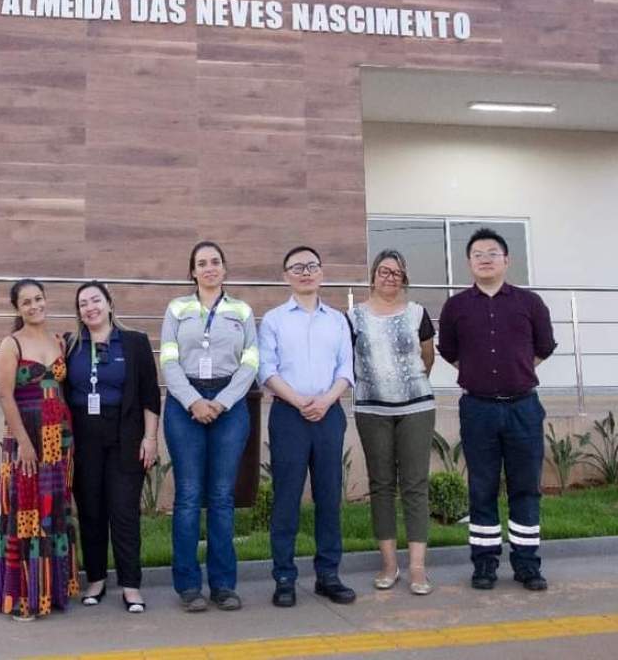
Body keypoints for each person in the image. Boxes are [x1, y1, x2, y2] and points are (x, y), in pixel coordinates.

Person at [437, 228, 556, 592]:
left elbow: (544, 347)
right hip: (478, 409)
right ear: (469, 263)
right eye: (477, 254)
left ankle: (526, 564)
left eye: (492, 252)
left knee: (525, 488)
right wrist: (478, 375)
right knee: (482, 488)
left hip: (523, 407)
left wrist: (516, 371)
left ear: (507, 260)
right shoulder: (455, 307)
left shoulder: (529, 303)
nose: (485, 258)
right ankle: (485, 564)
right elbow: (450, 352)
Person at [159, 241, 259, 613]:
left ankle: (223, 586)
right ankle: (188, 586)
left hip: (228, 403)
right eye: (202, 263)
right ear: (192, 272)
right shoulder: (176, 309)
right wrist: (193, 401)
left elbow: (250, 362)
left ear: (225, 269)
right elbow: (168, 360)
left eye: (215, 262)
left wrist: (222, 401)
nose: (209, 268)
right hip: (186, 402)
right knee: (187, 497)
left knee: (221, 497)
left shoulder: (242, 311)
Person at [258, 245, 356, 608]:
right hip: (289, 415)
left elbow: (347, 368)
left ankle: (328, 574)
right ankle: (284, 576)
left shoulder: (337, 320)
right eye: (297, 267)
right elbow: (266, 369)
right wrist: (301, 402)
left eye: (312, 266)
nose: (305, 272)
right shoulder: (273, 320)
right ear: (285, 276)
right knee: (286, 499)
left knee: (329, 497)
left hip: (329, 414)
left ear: (322, 273)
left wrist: (327, 399)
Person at [63, 281, 161, 614]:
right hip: (84, 438)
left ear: (109, 304)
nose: (89, 307)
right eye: (82, 303)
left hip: (126, 436)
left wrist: (150, 437)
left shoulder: (134, 342)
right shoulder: (69, 345)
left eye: (95, 300)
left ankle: (131, 585)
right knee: (90, 511)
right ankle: (95, 579)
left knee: (124, 512)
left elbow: (150, 394)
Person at [0, 279, 80, 620]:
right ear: (17, 308)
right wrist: (24, 443)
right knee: (25, 513)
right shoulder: (10, 344)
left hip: (59, 439)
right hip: (26, 437)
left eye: (38, 299)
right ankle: (24, 596)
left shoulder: (59, 341)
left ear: (46, 300)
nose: (34, 306)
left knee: (53, 511)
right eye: (26, 302)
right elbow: (4, 395)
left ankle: (52, 592)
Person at [347, 250, 437, 596]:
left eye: (397, 273)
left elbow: (427, 356)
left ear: (405, 279)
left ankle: (417, 567)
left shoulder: (418, 314)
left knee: (415, 485)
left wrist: (408, 386)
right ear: (372, 277)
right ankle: (388, 563)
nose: (390, 278)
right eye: (384, 272)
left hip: (416, 408)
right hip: (372, 411)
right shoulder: (353, 318)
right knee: (382, 485)